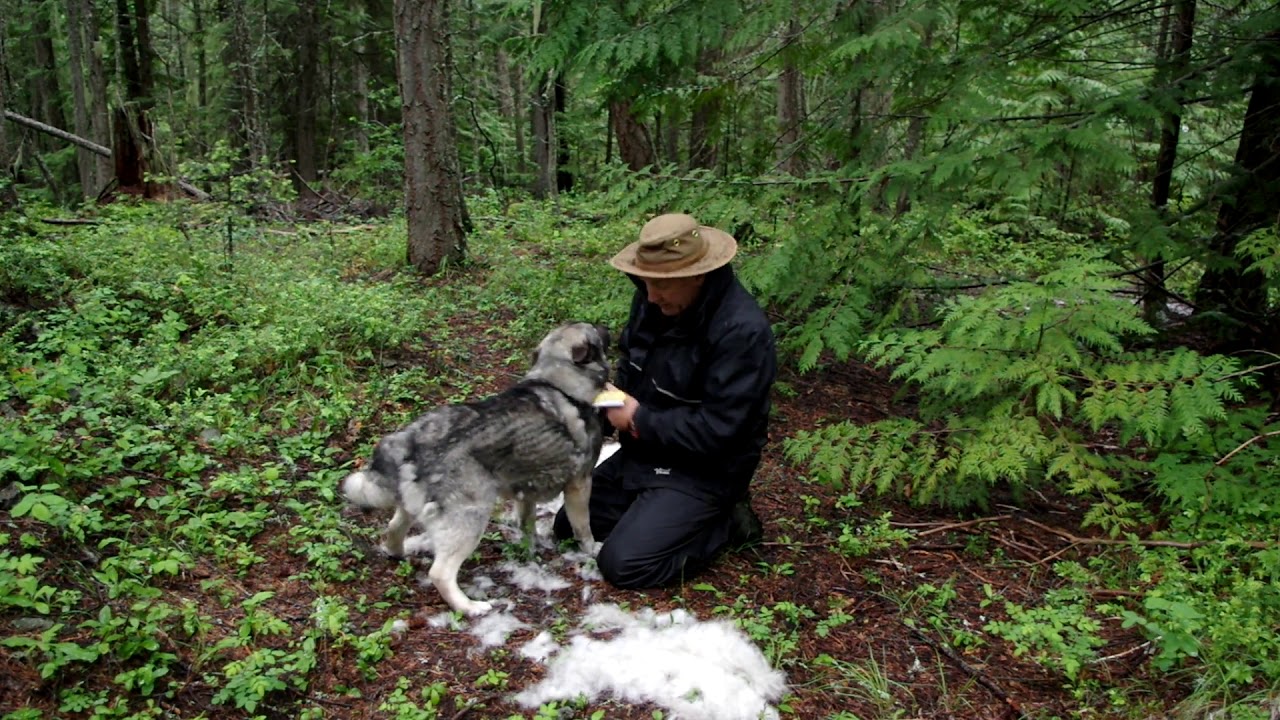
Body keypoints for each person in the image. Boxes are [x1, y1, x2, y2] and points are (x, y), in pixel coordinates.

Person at [553, 212, 777, 588]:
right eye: (645, 282)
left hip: (707, 470)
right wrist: (599, 410)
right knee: (568, 526)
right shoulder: (653, 301)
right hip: (648, 454)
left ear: (698, 275)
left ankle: (724, 522)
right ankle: (654, 510)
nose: (651, 296)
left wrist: (639, 420)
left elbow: (724, 431)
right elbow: (631, 373)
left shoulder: (742, 332)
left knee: (625, 565)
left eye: (664, 286)